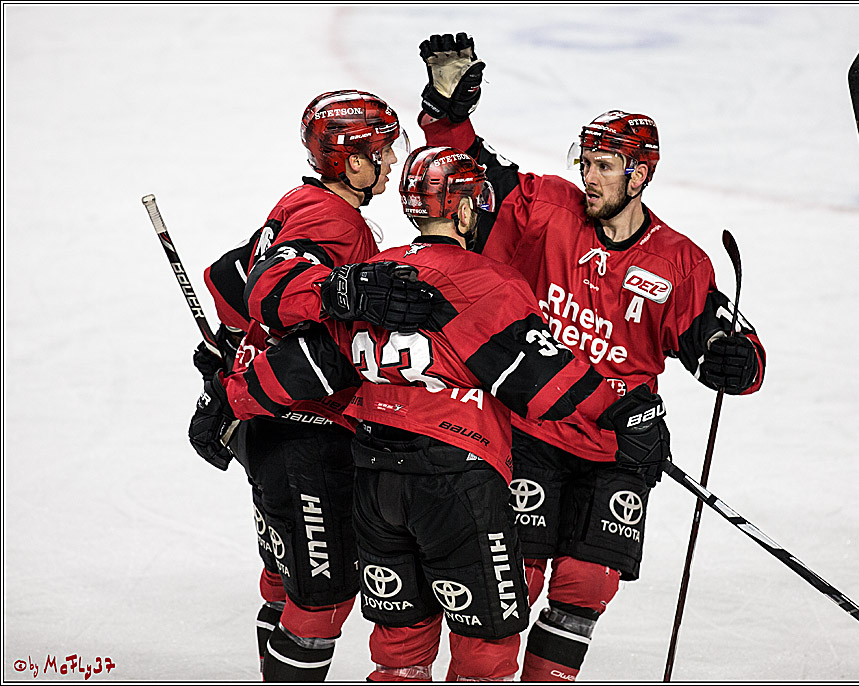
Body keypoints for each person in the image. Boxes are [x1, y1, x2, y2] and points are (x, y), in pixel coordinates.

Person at [189, 145, 673, 681]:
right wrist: (628, 415)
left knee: (400, 647)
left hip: (374, 485)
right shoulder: (488, 282)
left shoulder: (373, 275)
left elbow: (309, 364)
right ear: (466, 210)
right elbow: (543, 384)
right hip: (457, 484)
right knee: (484, 651)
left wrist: (225, 397)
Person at [413, 33, 767, 681]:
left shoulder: (678, 260)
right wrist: (446, 109)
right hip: (529, 431)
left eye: (606, 165)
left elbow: (727, 344)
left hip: (617, 447)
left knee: (584, 586)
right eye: (589, 161)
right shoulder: (546, 209)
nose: (590, 175)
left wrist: (731, 358)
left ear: (640, 174)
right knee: (511, 574)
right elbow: (472, 173)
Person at [190, 89, 436, 681]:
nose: (390, 157)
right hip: (306, 436)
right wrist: (337, 292)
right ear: (353, 161)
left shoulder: (298, 202)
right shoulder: (335, 219)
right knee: (322, 600)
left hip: (266, 427)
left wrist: (229, 358)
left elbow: (226, 277)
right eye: (382, 146)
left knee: (286, 580)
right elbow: (268, 290)